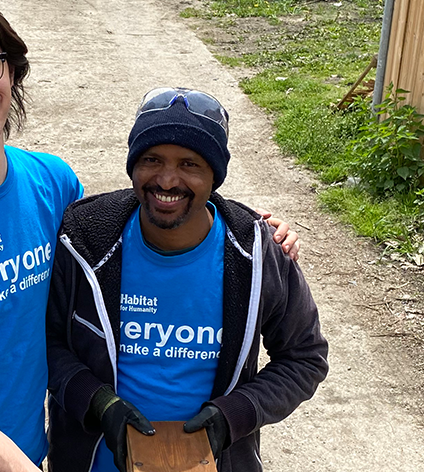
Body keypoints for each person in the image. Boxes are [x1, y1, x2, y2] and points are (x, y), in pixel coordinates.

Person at [0, 0, 300, 472]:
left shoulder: (52, 182)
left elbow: (126, 227)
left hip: (26, 454)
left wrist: (254, 231)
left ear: (10, 71)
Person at [45, 88, 328, 472]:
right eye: (151, 159)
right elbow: (48, 342)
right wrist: (97, 404)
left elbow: (304, 358)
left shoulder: (256, 253)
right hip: (94, 461)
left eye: (190, 164)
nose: (166, 179)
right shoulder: (85, 239)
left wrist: (233, 416)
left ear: (215, 176)